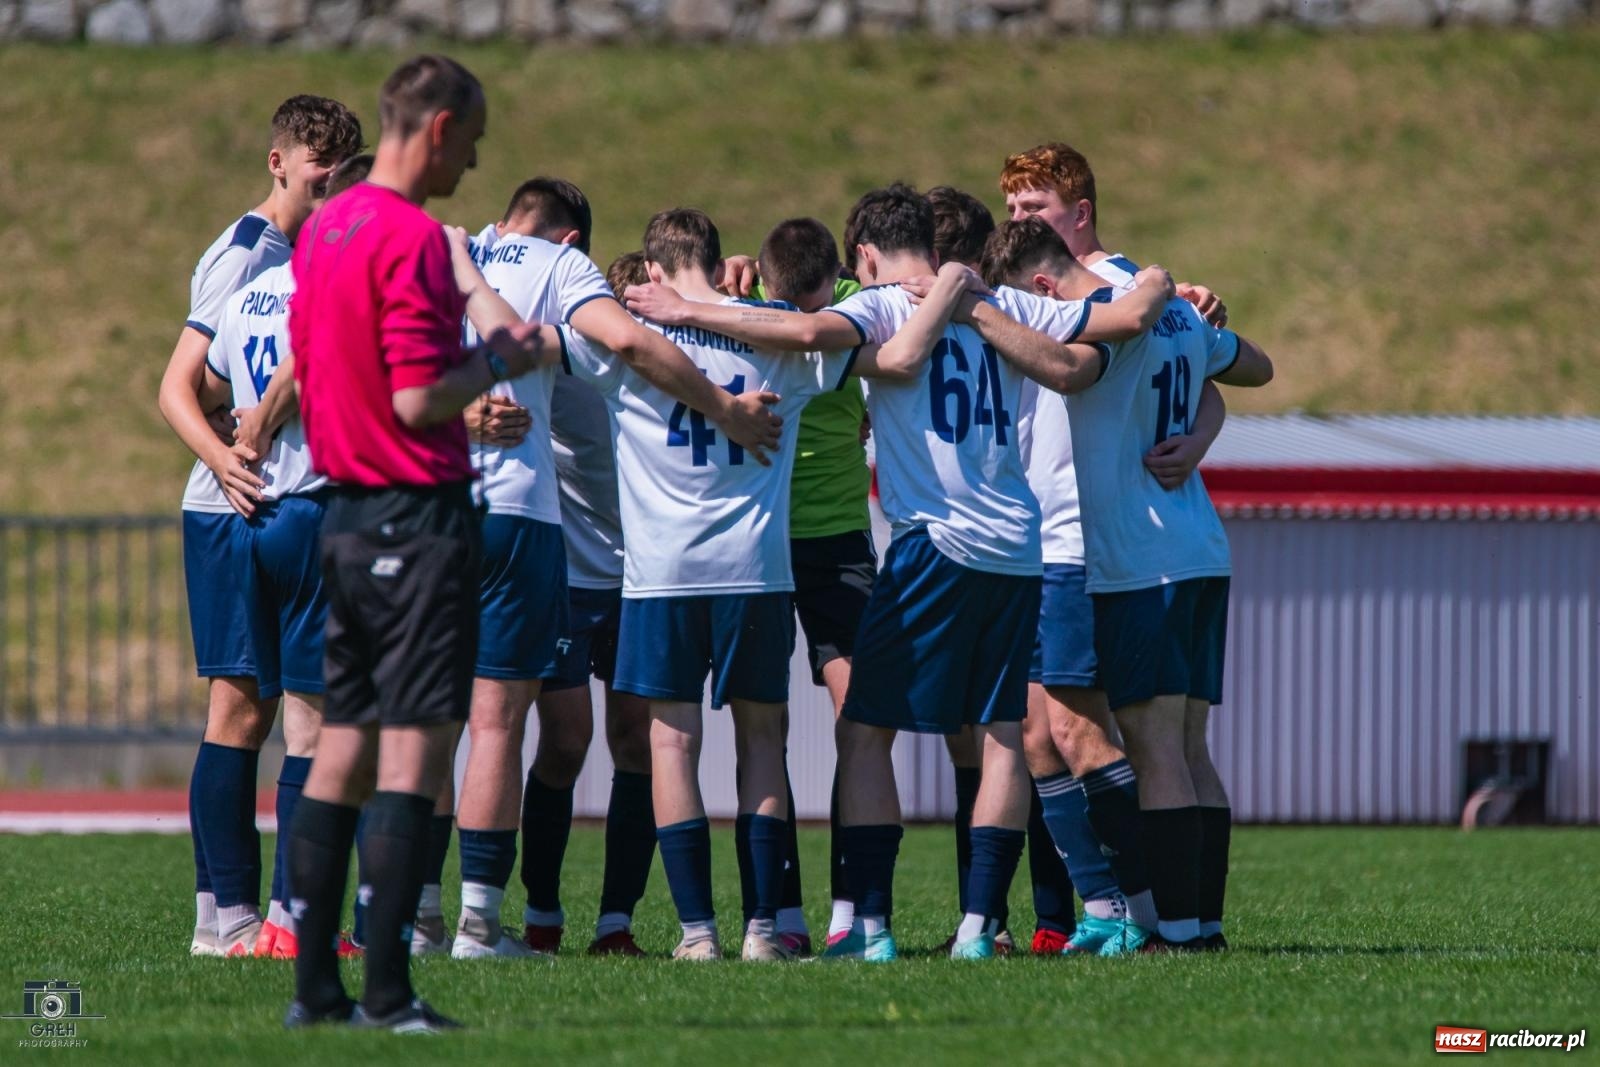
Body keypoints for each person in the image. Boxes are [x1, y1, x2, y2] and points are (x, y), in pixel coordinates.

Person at [623, 184, 1173, 961]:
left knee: (867, 730)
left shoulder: (883, 304)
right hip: (1019, 543)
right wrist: (1158, 278)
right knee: (1004, 733)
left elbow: (812, 327)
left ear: (869, 256)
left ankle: (870, 926)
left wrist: (690, 312)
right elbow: (1122, 316)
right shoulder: (1006, 301)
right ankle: (982, 927)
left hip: (936, 540)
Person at [577, 207, 949, 962]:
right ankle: (763, 929)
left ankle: (694, 933)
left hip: (662, 575)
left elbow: (534, 345)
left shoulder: (628, 340)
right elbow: (887, 360)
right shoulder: (768, 335)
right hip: (755, 572)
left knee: (672, 744)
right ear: (718, 265)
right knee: (762, 743)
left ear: (651, 271)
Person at [281, 53, 559, 1033]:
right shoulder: (410, 237)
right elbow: (413, 394)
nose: (471, 166)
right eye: (471, 143)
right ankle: (391, 994)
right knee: (409, 759)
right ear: (437, 128)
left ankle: (316, 991)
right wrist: (500, 357)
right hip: (416, 514)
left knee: (338, 750)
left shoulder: (324, 230)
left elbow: (315, 376)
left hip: (343, 513)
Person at [446, 181, 787, 960]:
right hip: (569, 566)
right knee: (564, 739)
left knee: (638, 740)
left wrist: (742, 290)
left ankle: (616, 922)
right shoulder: (589, 340)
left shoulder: (659, 346)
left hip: (651, 571)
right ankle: (536, 912)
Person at [982, 216, 1273, 951]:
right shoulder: (1171, 308)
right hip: (1202, 546)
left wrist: (974, 310)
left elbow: (1065, 369)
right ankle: (1203, 922)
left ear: (1045, 287)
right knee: (1191, 744)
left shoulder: (1113, 324)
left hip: (1143, 561)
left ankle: (1175, 929)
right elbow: (1255, 366)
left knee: (1155, 747)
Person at [158, 94, 362, 959]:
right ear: (277, 162)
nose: (329, 186)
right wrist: (230, 454)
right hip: (239, 502)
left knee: (252, 711)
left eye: (341, 173)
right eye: (317, 169)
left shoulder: (288, 257)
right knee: (247, 711)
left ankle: (225, 915)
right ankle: (242, 912)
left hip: (257, 498)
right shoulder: (249, 256)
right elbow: (180, 386)